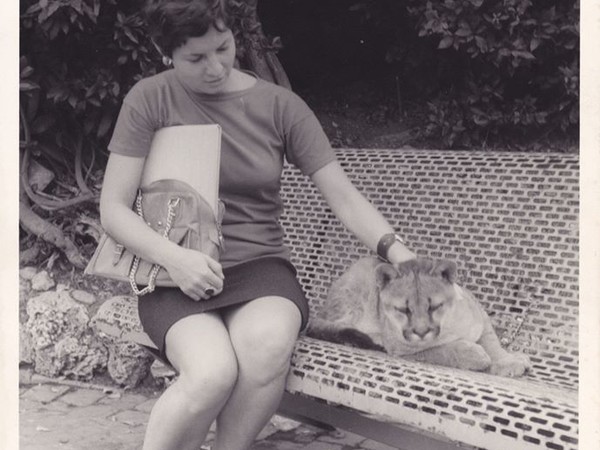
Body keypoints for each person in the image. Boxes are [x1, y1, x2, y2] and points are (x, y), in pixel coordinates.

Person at [99, 0, 416, 448]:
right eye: (196, 58)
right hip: (174, 271)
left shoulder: (279, 105)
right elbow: (112, 208)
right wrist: (177, 260)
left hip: (259, 267)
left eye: (223, 48)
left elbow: (343, 197)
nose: (215, 68)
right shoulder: (150, 99)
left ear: (234, 36)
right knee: (210, 374)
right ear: (163, 51)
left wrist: (401, 256)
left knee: (267, 347)